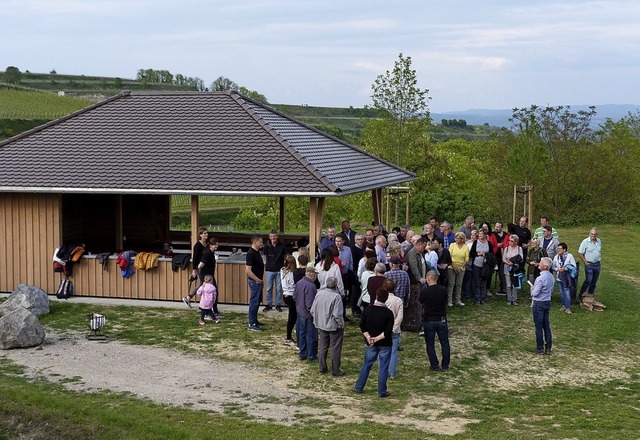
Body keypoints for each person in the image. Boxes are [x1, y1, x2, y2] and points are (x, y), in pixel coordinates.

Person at [353, 287, 394, 398]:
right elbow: (388, 331)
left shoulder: (368, 310)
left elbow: (362, 325)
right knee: (383, 367)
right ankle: (382, 391)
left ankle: (359, 387)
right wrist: (376, 338)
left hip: (370, 342)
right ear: (386, 299)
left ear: (376, 296)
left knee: (366, 365)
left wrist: (369, 337)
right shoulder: (388, 313)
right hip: (384, 343)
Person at [310, 276, 345, 376]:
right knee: (335, 348)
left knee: (323, 346)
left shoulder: (319, 293)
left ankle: (322, 367)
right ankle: (335, 370)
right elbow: (337, 314)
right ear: (336, 285)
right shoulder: (336, 297)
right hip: (333, 326)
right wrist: (342, 324)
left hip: (321, 324)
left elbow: (313, 309)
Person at [419, 270, 450, 371]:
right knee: (444, 343)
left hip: (429, 320)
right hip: (441, 319)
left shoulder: (425, 291)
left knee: (430, 343)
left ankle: (434, 365)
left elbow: (420, 301)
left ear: (428, 279)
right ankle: (445, 365)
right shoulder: (443, 290)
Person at [294, 265, 319, 361]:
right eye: (315, 275)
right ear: (312, 275)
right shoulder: (311, 286)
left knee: (301, 334)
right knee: (311, 335)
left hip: (300, 312)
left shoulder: (299, 282)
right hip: (308, 314)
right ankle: (311, 355)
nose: (316, 277)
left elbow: (295, 297)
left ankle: (302, 353)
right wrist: (313, 314)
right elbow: (310, 303)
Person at [530, 257, 554, 355]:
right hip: (547, 301)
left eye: (540, 263)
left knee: (539, 326)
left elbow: (535, 293)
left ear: (545, 266)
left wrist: (532, 288)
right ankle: (548, 347)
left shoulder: (540, 278)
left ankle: (540, 348)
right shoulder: (551, 277)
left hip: (539, 303)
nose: (539, 264)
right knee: (546, 325)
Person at [382, 278, 403, 380]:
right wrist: (394, 328)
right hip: (394, 330)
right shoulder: (398, 300)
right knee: (393, 352)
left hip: (383, 329)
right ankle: (392, 373)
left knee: (383, 351)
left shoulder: (382, 299)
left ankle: (383, 372)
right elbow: (399, 317)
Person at [183, 227, 208, 308]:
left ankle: (189, 298)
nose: (206, 234)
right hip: (199, 267)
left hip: (205, 266)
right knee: (202, 284)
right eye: (204, 233)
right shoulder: (197, 245)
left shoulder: (206, 244)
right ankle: (189, 297)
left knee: (204, 284)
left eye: (207, 233)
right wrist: (194, 270)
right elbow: (195, 258)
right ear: (200, 235)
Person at [468, 229, 494, 305]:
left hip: (485, 266)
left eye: (481, 234)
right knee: (477, 281)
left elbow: (492, 255)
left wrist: (485, 255)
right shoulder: (476, 242)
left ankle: (482, 297)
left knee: (483, 282)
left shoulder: (488, 243)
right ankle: (477, 298)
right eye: (479, 234)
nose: (479, 236)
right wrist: (478, 254)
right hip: (476, 264)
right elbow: (471, 253)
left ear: (485, 235)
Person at [264, 230, 286, 312]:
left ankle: (278, 305)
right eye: (271, 236)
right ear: (269, 237)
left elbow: (285, 256)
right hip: (269, 269)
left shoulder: (282, 246)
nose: (273, 238)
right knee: (269, 288)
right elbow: (265, 255)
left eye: (274, 236)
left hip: (279, 269)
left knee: (279, 289)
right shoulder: (266, 245)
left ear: (277, 237)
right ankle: (269, 304)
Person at [245, 235, 265, 332]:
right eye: (260, 242)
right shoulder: (250, 253)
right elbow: (248, 271)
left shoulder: (257, 252)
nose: (262, 244)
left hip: (258, 281)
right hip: (254, 282)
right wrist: (257, 279)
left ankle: (255, 320)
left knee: (257, 301)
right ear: (255, 242)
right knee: (254, 302)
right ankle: (251, 323)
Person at [552, 243, 577, 315]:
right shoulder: (556, 257)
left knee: (567, 292)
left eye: (560, 249)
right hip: (559, 277)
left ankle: (568, 307)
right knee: (562, 293)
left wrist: (565, 268)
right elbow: (553, 267)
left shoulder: (569, 256)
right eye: (558, 249)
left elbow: (573, 266)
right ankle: (564, 305)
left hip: (567, 277)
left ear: (564, 249)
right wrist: (558, 269)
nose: (558, 250)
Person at [578, 227, 602, 298]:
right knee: (588, 280)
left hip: (597, 264)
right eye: (592, 234)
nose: (593, 236)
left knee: (594, 282)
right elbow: (580, 253)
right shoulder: (585, 242)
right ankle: (581, 294)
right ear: (589, 233)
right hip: (589, 264)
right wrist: (585, 262)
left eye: (595, 234)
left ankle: (590, 295)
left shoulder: (599, 241)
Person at [447, 232, 469, 307]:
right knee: (451, 284)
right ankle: (449, 300)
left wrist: (461, 267)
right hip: (452, 266)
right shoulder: (452, 245)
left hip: (461, 267)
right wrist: (454, 267)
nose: (456, 239)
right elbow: (449, 257)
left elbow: (466, 259)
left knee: (459, 284)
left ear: (462, 239)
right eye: (456, 238)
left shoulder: (465, 247)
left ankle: (458, 300)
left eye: (458, 238)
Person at [281, 255, 298, 346]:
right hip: (292, 296)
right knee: (292, 317)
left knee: (292, 317)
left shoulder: (282, 271)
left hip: (285, 295)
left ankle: (289, 336)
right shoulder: (292, 274)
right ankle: (288, 337)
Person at [503, 235, 524, 305]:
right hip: (507, 268)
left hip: (515, 269)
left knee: (514, 284)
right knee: (508, 285)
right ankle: (509, 299)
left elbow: (521, 258)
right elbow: (503, 258)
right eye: (509, 240)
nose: (510, 242)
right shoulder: (506, 248)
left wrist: (513, 262)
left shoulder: (519, 248)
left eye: (511, 241)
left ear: (516, 242)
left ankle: (514, 299)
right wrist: (507, 262)